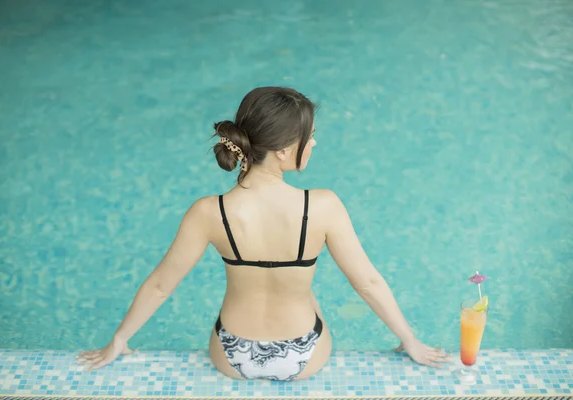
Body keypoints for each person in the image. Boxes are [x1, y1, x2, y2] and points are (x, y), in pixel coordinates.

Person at [76, 87, 450, 381]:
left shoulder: (209, 211)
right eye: (311, 136)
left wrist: (119, 340)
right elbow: (367, 282)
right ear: (285, 152)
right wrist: (410, 341)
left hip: (230, 353)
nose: (315, 143)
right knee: (305, 292)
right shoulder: (322, 206)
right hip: (305, 356)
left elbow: (160, 285)